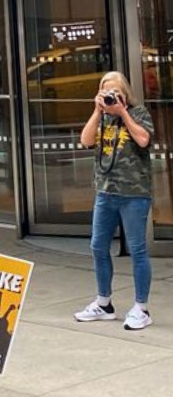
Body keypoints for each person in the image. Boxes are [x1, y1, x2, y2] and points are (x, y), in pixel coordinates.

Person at [74, 71, 155, 330]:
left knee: (137, 250)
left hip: (134, 193)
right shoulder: (101, 117)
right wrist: (98, 111)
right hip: (105, 192)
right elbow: (85, 140)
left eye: (114, 93)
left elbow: (143, 140)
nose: (110, 98)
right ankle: (104, 303)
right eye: (105, 92)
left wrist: (123, 113)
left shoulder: (138, 112)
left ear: (124, 93)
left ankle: (141, 308)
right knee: (98, 247)